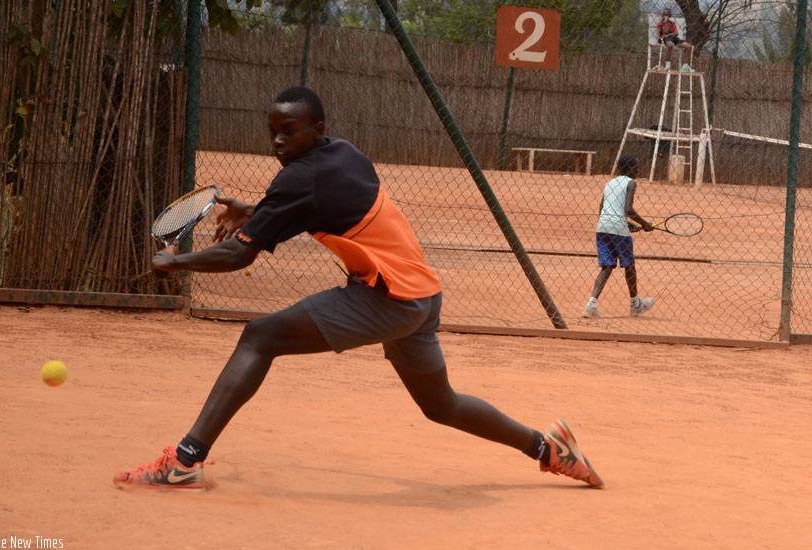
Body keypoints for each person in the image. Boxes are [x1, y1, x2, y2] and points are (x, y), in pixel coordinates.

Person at [113, 86, 604, 490]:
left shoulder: (298, 182)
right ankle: (548, 448)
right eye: (273, 133)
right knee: (441, 405)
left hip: (388, 298)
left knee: (259, 337)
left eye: (290, 131)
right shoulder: (344, 152)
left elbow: (240, 253)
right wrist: (256, 213)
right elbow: (309, 198)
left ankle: (185, 460)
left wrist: (175, 262)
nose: (278, 142)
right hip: (422, 294)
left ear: (316, 130)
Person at [582, 154, 655, 319]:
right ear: (629, 168)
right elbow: (628, 209)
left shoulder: (609, 183)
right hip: (617, 229)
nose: (639, 169)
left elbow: (603, 208)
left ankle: (591, 305)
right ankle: (635, 304)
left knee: (607, 266)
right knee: (629, 265)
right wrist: (644, 224)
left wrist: (628, 225)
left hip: (602, 227)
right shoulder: (631, 183)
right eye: (636, 166)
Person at [656, 8, 694, 72]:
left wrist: (669, 34)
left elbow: (676, 33)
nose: (666, 16)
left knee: (689, 46)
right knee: (670, 45)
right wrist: (666, 27)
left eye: (667, 15)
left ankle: (685, 66)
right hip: (663, 38)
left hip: (673, 38)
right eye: (665, 15)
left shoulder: (672, 23)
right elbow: (663, 33)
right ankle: (667, 66)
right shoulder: (660, 24)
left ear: (669, 15)